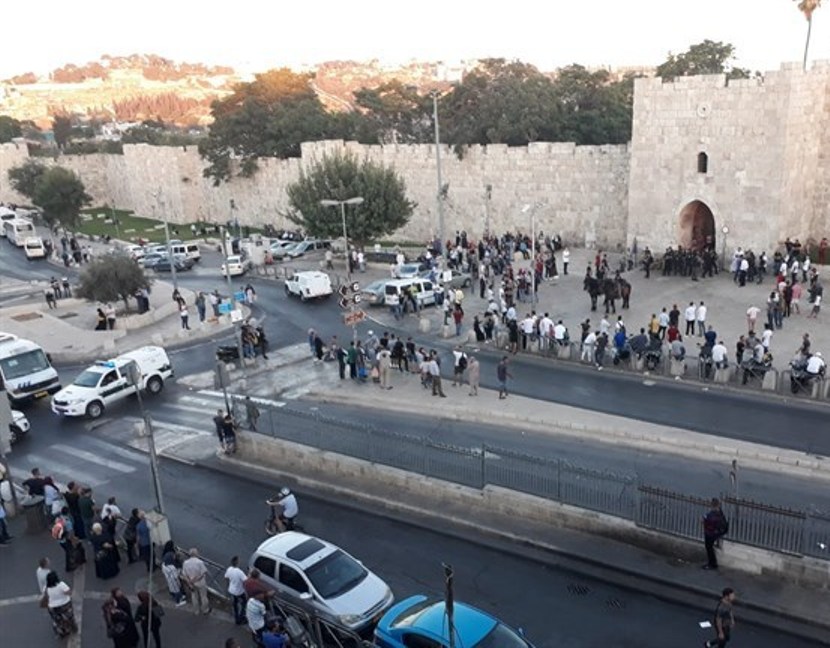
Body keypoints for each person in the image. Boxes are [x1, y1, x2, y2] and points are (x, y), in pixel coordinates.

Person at [43, 571, 78, 638]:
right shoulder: (61, 585)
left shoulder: (46, 588)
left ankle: (63, 631)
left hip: (53, 607)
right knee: (70, 617)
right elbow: (69, 592)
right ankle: (73, 628)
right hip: (65, 604)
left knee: (58, 620)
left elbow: (46, 596)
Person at [702, 498, 729, 570]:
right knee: (709, 547)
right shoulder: (719, 512)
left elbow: (710, 519)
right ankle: (712, 563)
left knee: (709, 547)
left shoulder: (714, 513)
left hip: (712, 532)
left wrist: (705, 517)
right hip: (715, 532)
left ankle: (712, 564)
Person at [182, 548, 211, 614]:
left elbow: (184, 574)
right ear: (196, 554)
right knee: (203, 596)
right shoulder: (200, 562)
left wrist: (189, 582)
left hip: (191, 583)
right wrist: (195, 580)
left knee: (194, 596)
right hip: (200, 582)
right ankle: (205, 610)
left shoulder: (185, 563)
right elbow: (203, 573)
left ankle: (196, 610)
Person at [224, 556, 248, 625]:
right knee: (244, 603)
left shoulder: (229, 569)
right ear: (237, 562)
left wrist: (228, 586)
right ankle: (241, 617)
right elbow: (246, 581)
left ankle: (237, 619)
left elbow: (226, 578)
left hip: (231, 590)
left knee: (235, 605)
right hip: (239, 591)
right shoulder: (240, 572)